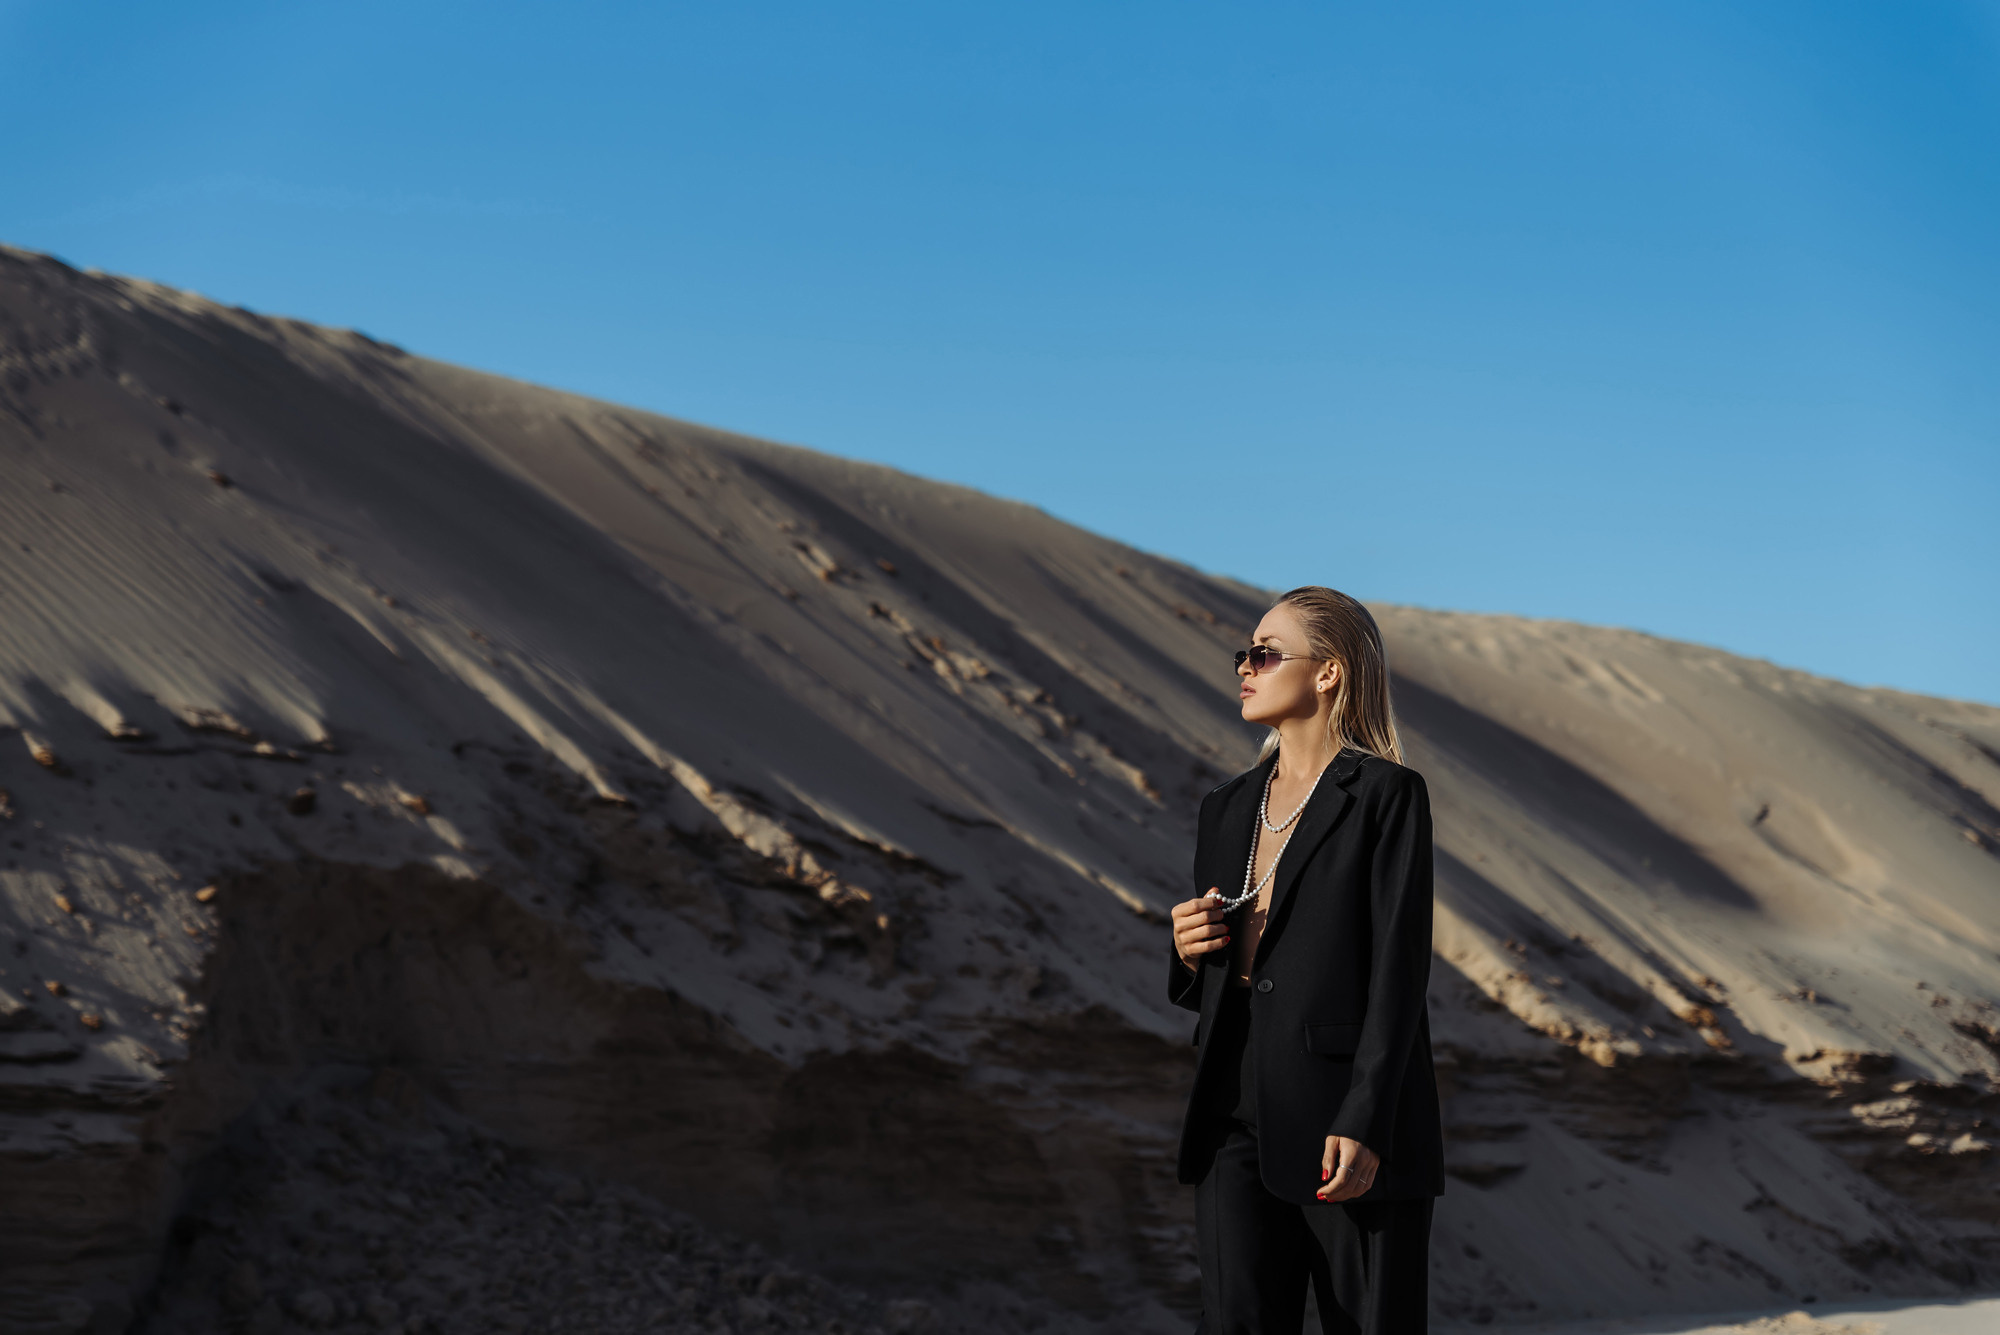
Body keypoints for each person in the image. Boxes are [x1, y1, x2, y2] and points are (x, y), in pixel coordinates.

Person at [1169, 585, 1443, 1333]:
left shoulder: (1387, 796)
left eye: (1264, 652)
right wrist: (1189, 951)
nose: (1245, 668)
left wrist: (1367, 1120)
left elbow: (1398, 972)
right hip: (1232, 1107)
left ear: (1327, 673)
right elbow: (1223, 978)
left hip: (1347, 1118)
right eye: (1243, 655)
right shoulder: (1225, 807)